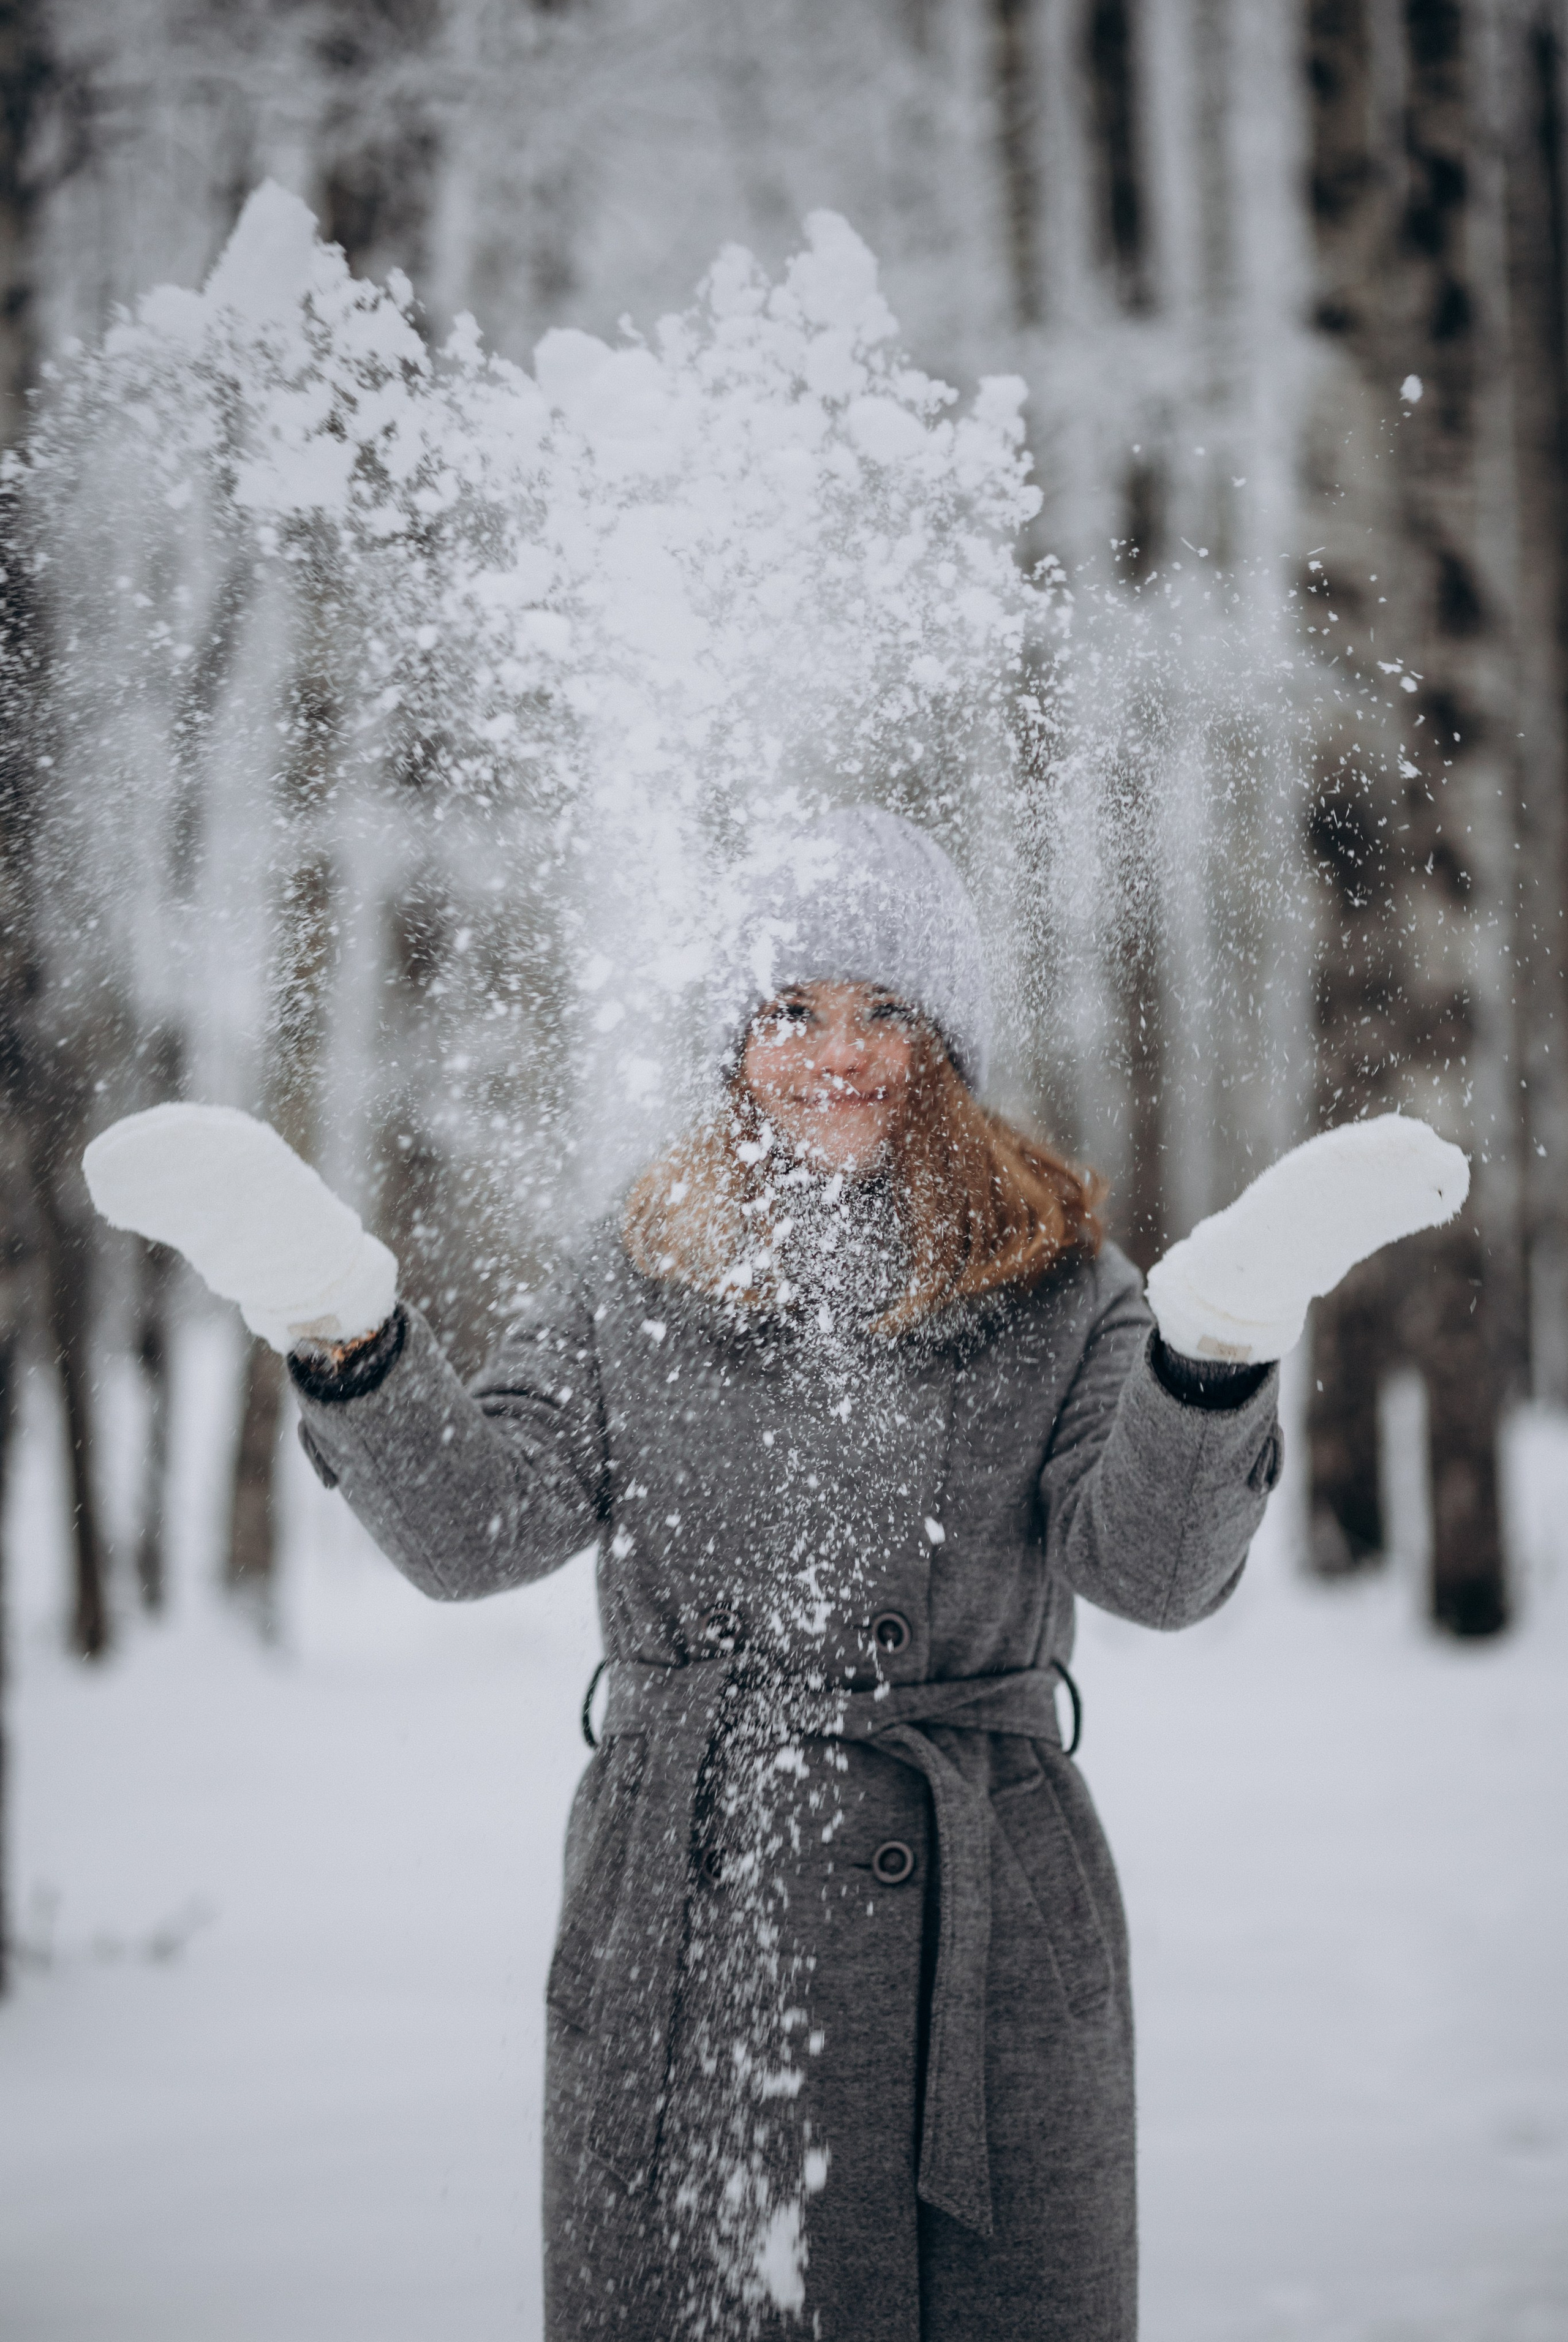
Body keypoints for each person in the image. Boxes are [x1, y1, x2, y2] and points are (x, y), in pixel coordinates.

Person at [85, 807, 1468, 2341]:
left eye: (888, 1009)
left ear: (948, 1040)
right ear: (728, 1041)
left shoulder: (1059, 1277)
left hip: (979, 1915)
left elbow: (1148, 1572)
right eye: (790, 1009)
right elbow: (479, 1532)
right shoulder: (637, 1267)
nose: (840, 1050)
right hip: (687, 1903)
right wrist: (336, 1318)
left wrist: (1211, 1349)